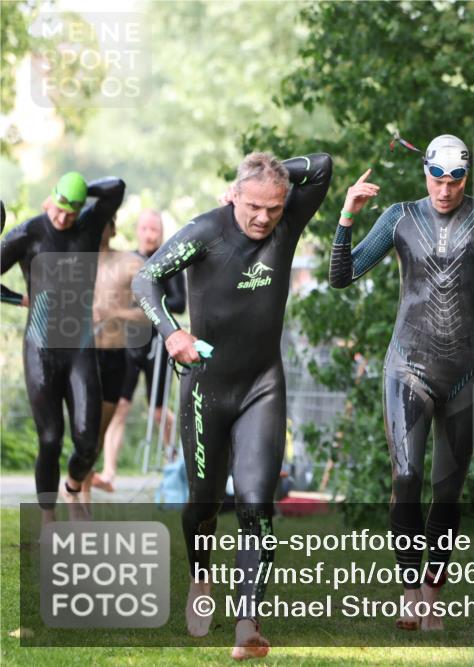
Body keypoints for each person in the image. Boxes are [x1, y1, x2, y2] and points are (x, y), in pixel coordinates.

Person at [328, 134, 474, 630]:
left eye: (456, 179)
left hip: (466, 372)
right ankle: (409, 591)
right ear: (425, 172)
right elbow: (342, 276)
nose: (445, 190)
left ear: (468, 175)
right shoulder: (400, 217)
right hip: (407, 367)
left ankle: (433, 593)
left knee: (447, 490)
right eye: (437, 178)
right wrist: (346, 216)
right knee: (406, 479)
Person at [132, 151, 331, 659]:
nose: (264, 218)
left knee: (256, 503)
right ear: (234, 195)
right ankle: (202, 577)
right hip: (205, 388)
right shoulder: (207, 231)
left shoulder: (287, 223)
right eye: (254, 206)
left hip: (262, 385)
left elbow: (324, 165)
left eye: (274, 207)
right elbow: (144, 280)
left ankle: (248, 623)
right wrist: (172, 333)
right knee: (203, 505)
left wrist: (272, 175)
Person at [0, 171, 125, 522]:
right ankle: (47, 515)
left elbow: (117, 187)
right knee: (51, 438)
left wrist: (83, 189)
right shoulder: (28, 233)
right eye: (58, 209)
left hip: (80, 346)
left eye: (71, 211)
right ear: (49, 198)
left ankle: (72, 489)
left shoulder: (88, 225)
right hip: (40, 348)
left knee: (87, 441)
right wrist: (14, 297)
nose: (63, 218)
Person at [92, 209, 186, 492]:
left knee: (158, 412)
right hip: (128, 345)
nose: (149, 234)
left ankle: (175, 464)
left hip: (159, 344)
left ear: (160, 233)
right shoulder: (126, 260)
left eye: (154, 229)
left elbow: (180, 303)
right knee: (118, 407)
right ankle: (108, 473)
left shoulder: (169, 260)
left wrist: (149, 297)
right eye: (144, 229)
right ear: (137, 231)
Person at [81, 219, 147, 496]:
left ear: (112, 227)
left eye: (102, 222)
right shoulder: (71, 261)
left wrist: (115, 313)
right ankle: (80, 492)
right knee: (82, 430)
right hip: (81, 357)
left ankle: (79, 483)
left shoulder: (132, 263)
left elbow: (148, 315)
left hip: (115, 356)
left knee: (97, 436)